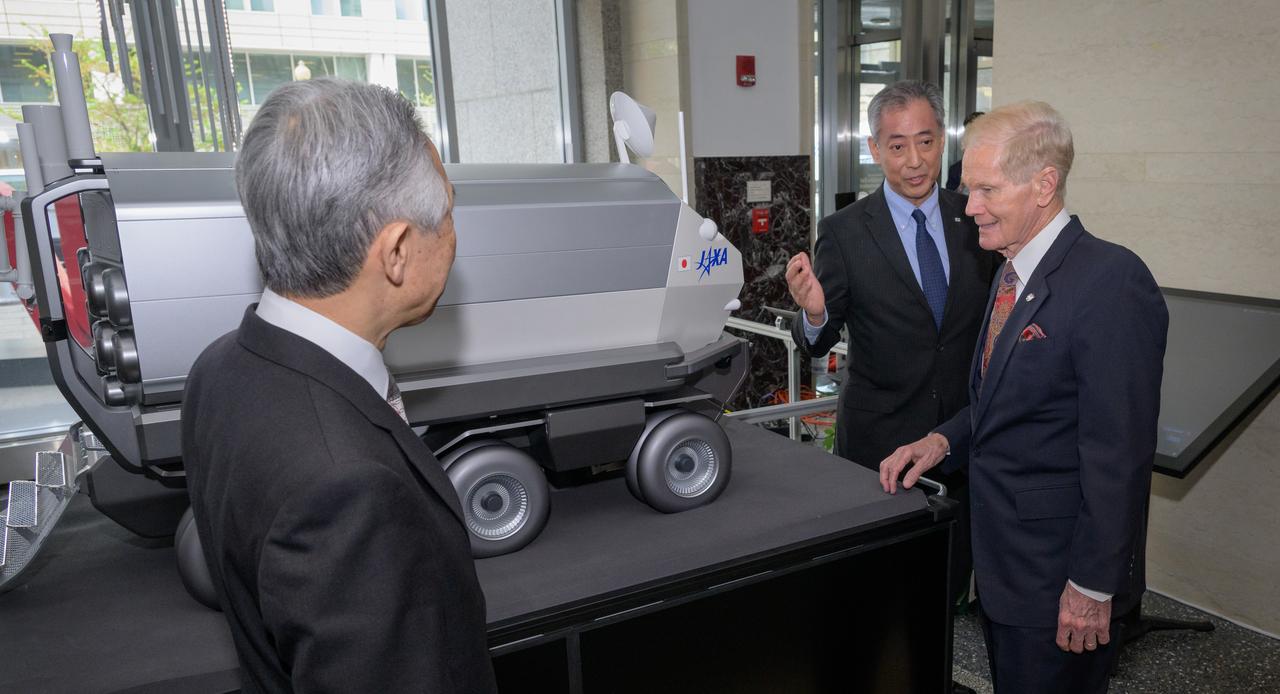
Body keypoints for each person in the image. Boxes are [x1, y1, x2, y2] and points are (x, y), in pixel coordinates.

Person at [182, 79, 497, 693]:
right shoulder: (348, 488)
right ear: (398, 251)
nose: (455, 235)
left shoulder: (217, 370)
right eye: (449, 212)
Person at [879, 100, 1168, 693]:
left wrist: (1091, 587)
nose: (969, 206)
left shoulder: (1110, 282)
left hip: (1060, 582)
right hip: (1008, 567)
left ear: (1044, 185)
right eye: (966, 188)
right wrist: (942, 440)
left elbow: (1119, 452)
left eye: (986, 189)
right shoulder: (1012, 270)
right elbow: (1007, 403)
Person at [786, 80, 998, 610]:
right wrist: (814, 313)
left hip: (964, 442)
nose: (914, 161)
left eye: (926, 142)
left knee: (947, 585)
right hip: (881, 449)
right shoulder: (845, 231)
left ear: (943, 142)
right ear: (875, 148)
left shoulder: (974, 218)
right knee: (880, 594)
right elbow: (818, 340)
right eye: (898, 146)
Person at [945, 111, 986, 192]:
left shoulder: (997, 165)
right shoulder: (956, 170)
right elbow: (949, 200)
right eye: (968, 132)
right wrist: (961, 187)